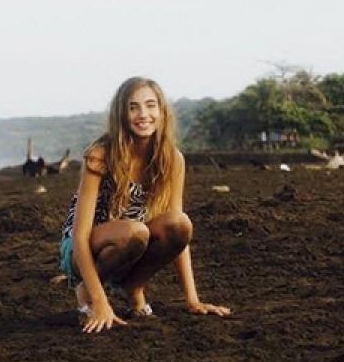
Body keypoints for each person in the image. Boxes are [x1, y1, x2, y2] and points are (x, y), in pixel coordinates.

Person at [58, 77, 231, 334]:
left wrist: (192, 300)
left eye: (150, 106)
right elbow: (80, 236)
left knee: (179, 223)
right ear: (122, 114)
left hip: (134, 240)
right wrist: (100, 302)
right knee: (135, 231)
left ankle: (134, 287)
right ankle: (86, 293)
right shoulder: (100, 155)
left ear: (161, 111)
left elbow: (178, 237)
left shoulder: (172, 159)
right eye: (133, 107)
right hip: (83, 249)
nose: (143, 114)